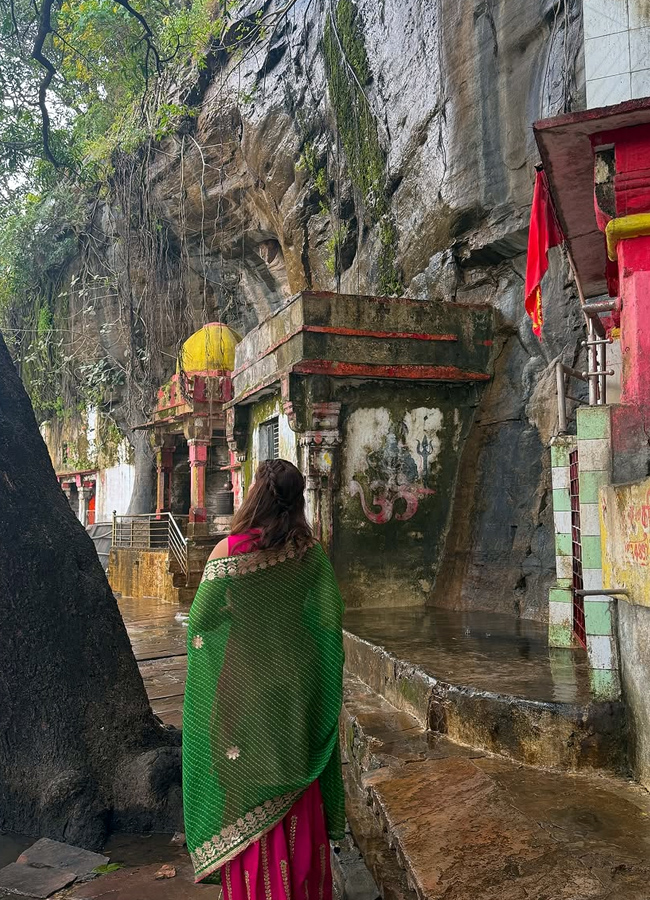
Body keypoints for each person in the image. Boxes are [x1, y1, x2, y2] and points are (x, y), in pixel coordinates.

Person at [182, 459, 345, 900]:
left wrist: (239, 611)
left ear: (255, 492)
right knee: (296, 774)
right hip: (296, 681)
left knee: (244, 779)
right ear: (298, 500)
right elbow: (329, 619)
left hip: (244, 680)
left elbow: (199, 621)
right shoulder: (311, 553)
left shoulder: (229, 550)